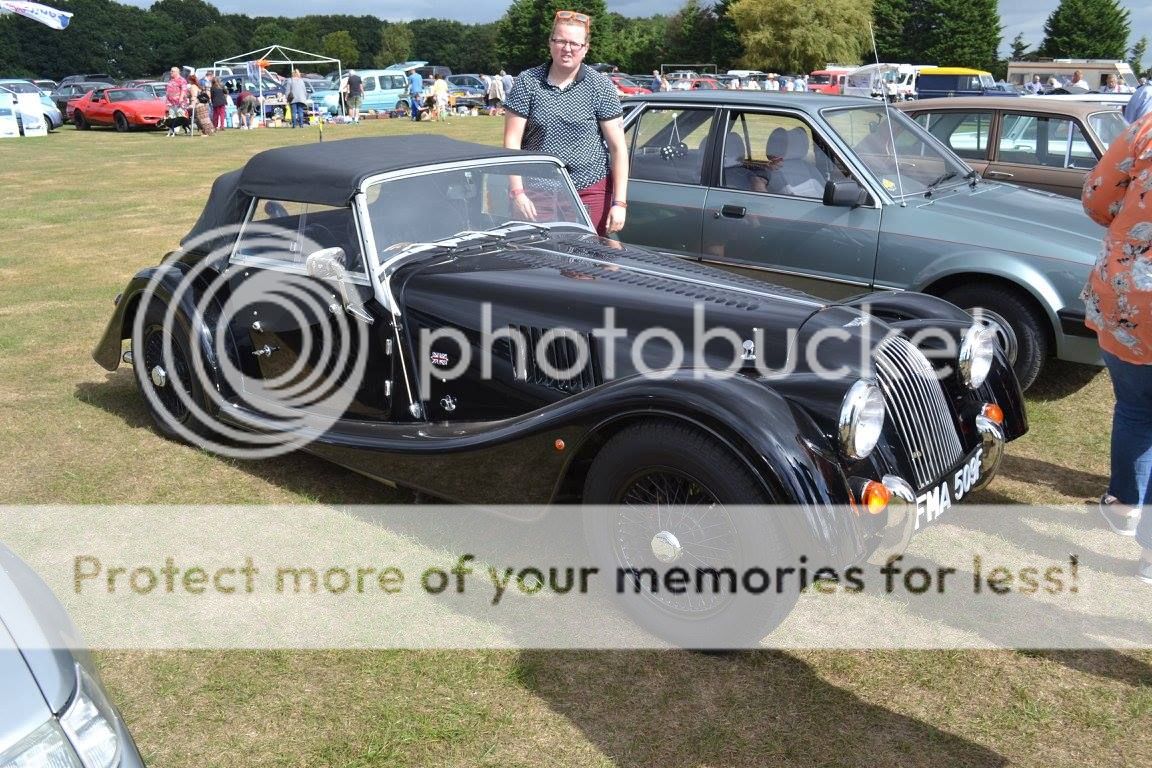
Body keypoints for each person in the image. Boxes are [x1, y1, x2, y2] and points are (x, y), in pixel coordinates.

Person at [1082, 115, 1152, 584]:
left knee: (1135, 408)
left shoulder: (1147, 127)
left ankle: (1126, 506)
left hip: (1134, 295)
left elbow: (1097, 197)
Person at [503, 9, 629, 238]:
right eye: (560, 41)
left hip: (588, 189)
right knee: (536, 262)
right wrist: (517, 191)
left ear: (585, 48)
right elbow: (512, 141)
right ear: (550, 43)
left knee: (583, 267)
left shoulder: (600, 87)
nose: (567, 48)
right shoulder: (527, 82)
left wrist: (619, 203)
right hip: (536, 190)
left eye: (574, 43)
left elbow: (618, 148)